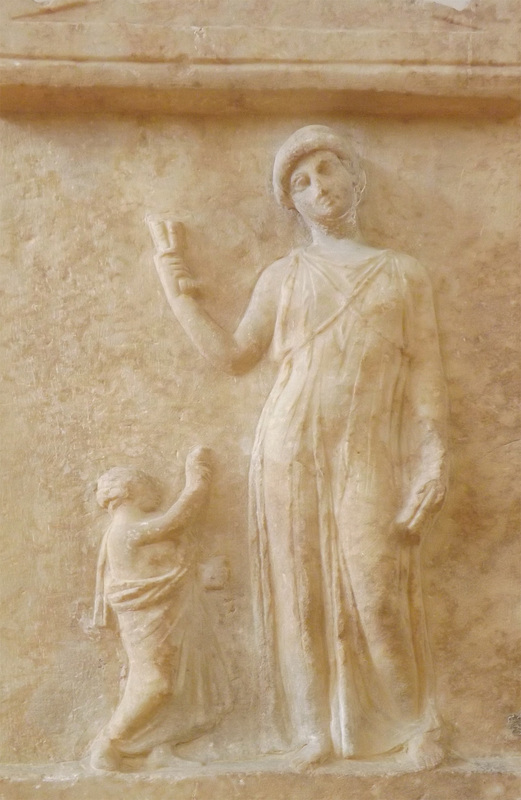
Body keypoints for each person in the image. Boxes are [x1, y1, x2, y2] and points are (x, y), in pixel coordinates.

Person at [152, 126, 448, 769]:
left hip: (368, 448)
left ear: (353, 178)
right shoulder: (284, 275)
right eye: (300, 182)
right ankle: (313, 729)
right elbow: (234, 357)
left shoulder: (402, 273)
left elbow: (426, 372)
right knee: (302, 594)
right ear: (291, 202)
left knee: (376, 588)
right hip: (290, 443)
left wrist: (434, 457)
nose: (318, 187)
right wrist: (177, 292)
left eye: (326, 170)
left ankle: (412, 721)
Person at [90, 447, 231, 771]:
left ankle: (156, 747)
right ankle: (109, 742)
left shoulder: (137, 527)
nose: (155, 489)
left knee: (173, 683)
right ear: (126, 491)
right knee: (155, 682)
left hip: (168, 614)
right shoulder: (126, 529)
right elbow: (177, 520)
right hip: (147, 618)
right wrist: (196, 480)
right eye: (145, 484)